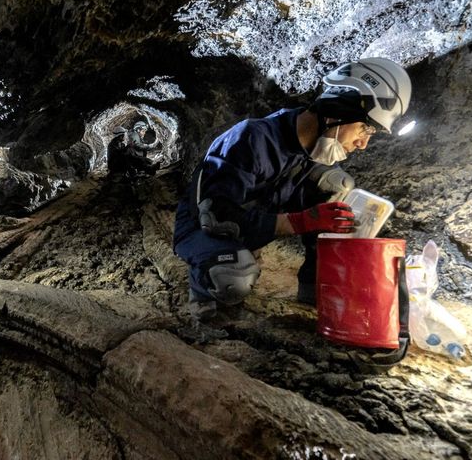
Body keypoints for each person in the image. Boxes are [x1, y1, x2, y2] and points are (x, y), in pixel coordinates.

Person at [173, 58, 411, 321]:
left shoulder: (306, 153)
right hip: (202, 229)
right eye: (365, 128)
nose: (363, 143)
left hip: (250, 226)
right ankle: (204, 298)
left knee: (336, 185)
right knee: (233, 274)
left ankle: (315, 286)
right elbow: (217, 215)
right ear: (337, 113)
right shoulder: (251, 139)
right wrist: (301, 221)